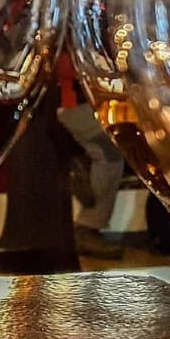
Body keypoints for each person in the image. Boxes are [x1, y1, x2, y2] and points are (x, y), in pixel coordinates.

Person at [56, 53, 125, 259]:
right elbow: (68, 66)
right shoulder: (72, 27)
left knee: (113, 151)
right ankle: (87, 227)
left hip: (84, 100)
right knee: (110, 154)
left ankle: (82, 167)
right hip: (74, 102)